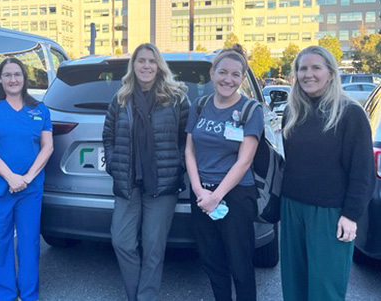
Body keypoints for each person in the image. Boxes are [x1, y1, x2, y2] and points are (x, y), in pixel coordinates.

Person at [280, 45, 374, 300]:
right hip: (292, 208)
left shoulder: (350, 113)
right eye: (302, 69)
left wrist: (350, 215)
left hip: (330, 213)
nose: (307, 74)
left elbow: (363, 171)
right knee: (294, 285)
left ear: (331, 73)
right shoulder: (292, 112)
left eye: (315, 68)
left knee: (325, 289)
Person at [103, 43, 189, 301]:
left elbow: (187, 139)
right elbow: (108, 135)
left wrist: (178, 166)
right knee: (122, 241)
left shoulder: (176, 98)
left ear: (159, 65)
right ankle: (136, 295)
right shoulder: (121, 99)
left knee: (153, 247)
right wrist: (113, 163)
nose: (146, 66)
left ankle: (145, 297)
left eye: (152, 61)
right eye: (141, 61)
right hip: (128, 184)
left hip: (162, 186)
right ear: (133, 65)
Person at [184, 44, 263, 301]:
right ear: (212, 73)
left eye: (235, 74)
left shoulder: (251, 110)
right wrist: (199, 191)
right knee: (212, 261)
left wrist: (215, 196)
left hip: (236, 196)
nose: (228, 79)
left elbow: (244, 161)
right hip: (201, 195)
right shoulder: (200, 105)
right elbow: (189, 151)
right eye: (223, 72)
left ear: (242, 78)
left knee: (240, 264)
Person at [0, 57, 53, 301]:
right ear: (0, 79)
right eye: (7, 75)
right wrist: (10, 177)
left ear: (24, 78)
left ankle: (29, 294)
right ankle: (2, 294)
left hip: (30, 189)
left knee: (29, 243)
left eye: (17, 74)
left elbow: (47, 147)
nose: (12, 79)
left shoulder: (40, 110)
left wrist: (27, 178)